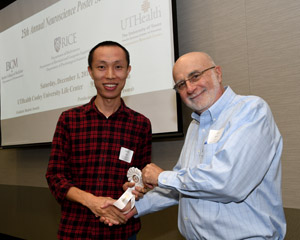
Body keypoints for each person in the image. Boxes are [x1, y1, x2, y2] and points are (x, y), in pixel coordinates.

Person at [124, 52, 286, 239]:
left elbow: (229, 183)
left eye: (195, 76)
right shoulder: (196, 125)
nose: (190, 88)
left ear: (217, 73)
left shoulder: (251, 111)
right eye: (181, 85)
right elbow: (180, 186)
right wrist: (133, 207)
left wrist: (162, 177)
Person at [46, 41, 152, 240]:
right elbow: (55, 176)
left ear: (128, 71)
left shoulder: (141, 125)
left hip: (122, 230)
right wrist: (92, 202)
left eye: (118, 67)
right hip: (76, 229)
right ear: (90, 71)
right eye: (101, 67)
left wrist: (135, 190)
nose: (110, 75)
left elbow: (141, 179)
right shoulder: (69, 120)